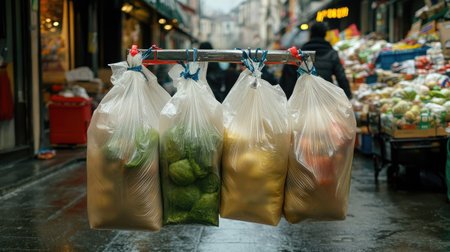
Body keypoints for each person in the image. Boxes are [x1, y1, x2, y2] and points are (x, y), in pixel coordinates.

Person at [280, 22, 352, 99]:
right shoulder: (331, 53)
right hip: (325, 96)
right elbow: (341, 77)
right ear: (325, 34)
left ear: (310, 34)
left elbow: (290, 81)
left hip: (305, 98)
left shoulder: (301, 53)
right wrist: (348, 95)